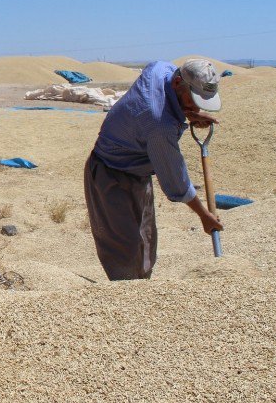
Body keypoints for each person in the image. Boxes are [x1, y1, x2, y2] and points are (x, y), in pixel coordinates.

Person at [84, 58, 225, 281]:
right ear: (179, 82)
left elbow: (163, 94)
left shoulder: (162, 70)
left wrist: (188, 112)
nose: (198, 106)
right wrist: (204, 216)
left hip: (138, 171)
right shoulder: (159, 125)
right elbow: (176, 181)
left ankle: (144, 289)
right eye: (194, 99)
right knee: (126, 248)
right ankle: (125, 297)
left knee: (145, 239)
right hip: (109, 172)